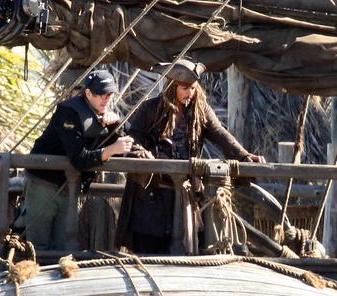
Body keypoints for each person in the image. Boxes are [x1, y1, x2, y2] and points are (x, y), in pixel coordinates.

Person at [115, 59, 265, 254]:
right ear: (172, 87)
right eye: (185, 88)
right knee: (149, 247)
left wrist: (244, 156)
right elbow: (132, 139)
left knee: (184, 248)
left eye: (193, 88)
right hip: (151, 195)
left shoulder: (199, 110)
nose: (190, 93)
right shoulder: (150, 109)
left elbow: (220, 134)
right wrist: (141, 152)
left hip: (184, 191)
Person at [24, 70, 134, 250]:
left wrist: (117, 124)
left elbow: (131, 137)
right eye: (101, 94)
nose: (106, 98)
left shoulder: (101, 112)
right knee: (38, 246)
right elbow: (79, 158)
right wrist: (112, 150)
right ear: (88, 93)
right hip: (43, 185)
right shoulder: (69, 112)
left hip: (70, 187)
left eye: (110, 94)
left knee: (63, 247)